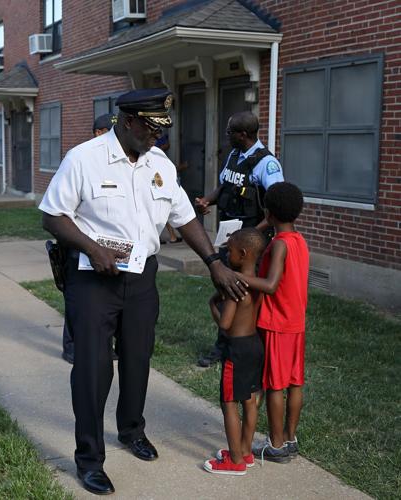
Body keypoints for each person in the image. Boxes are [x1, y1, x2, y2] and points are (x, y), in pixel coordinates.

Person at [39, 88, 247, 495]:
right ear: (128, 121)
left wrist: (213, 262)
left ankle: (131, 430)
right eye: (151, 129)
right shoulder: (84, 158)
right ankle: (89, 459)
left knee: (137, 359)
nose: (157, 137)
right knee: (94, 369)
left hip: (140, 279)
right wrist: (91, 248)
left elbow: (184, 218)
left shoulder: (159, 164)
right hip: (93, 279)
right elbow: (52, 215)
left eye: (161, 130)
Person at [195, 111, 284, 368]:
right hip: (230, 240)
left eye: (229, 132)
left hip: (252, 246)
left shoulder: (266, 164)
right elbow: (225, 186)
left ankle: (245, 348)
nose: (226, 136)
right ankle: (223, 346)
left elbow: (277, 207)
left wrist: (251, 235)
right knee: (225, 290)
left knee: (244, 297)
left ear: (243, 135)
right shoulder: (234, 155)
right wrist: (207, 201)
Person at [241, 182, 309, 463]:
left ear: (268, 211)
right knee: (294, 383)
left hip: (276, 325)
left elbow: (270, 285)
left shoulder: (279, 245)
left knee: (275, 386)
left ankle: (276, 445)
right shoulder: (299, 240)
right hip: (296, 324)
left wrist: (238, 278)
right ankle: (291, 438)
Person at [202, 228, 267, 475]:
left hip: (237, 350)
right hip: (254, 345)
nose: (227, 255)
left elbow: (226, 324)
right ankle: (245, 452)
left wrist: (212, 304)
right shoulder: (257, 281)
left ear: (242, 253)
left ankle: (235, 462)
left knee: (228, 402)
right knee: (250, 400)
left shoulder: (235, 286)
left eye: (229, 250)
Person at [61, 113, 118, 365]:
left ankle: (101, 344)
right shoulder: (80, 160)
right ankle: (71, 346)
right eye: (111, 131)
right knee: (75, 301)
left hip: (102, 247)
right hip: (76, 244)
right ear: (98, 133)